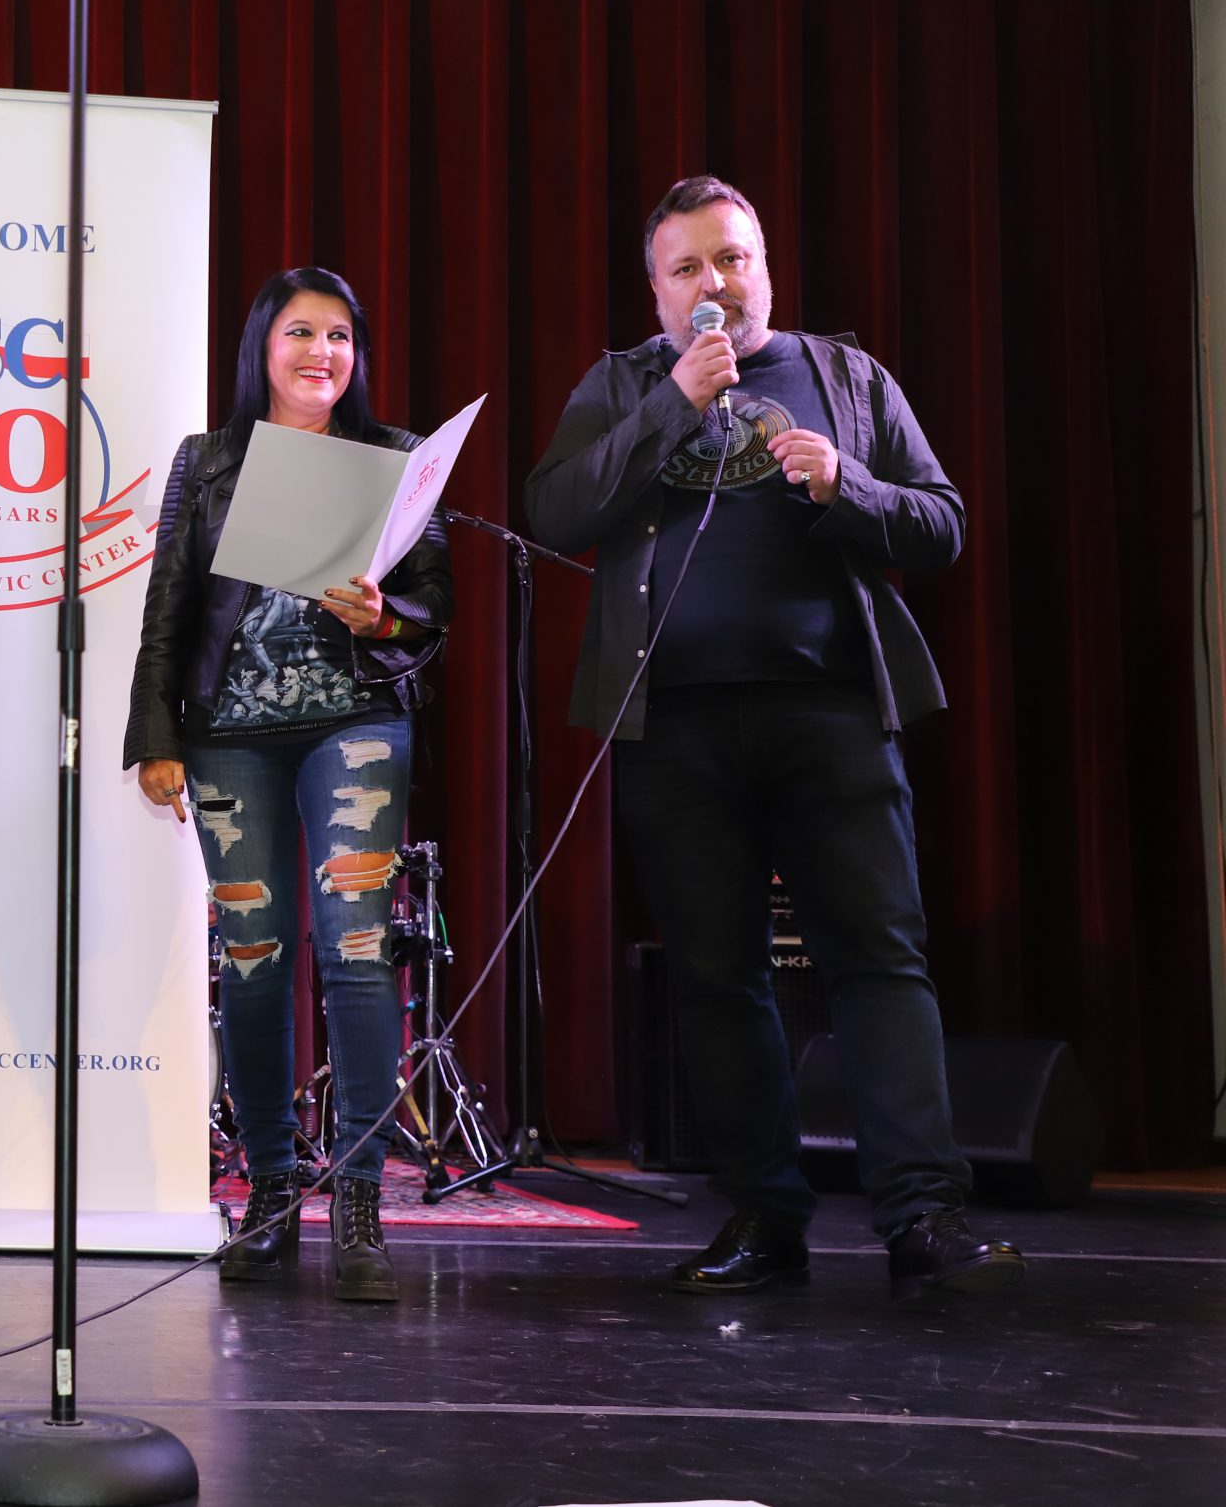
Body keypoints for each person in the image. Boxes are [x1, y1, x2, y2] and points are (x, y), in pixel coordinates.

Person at [524, 175, 1022, 1300]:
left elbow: (941, 522)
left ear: (764, 267)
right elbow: (555, 511)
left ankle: (922, 1219)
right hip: (672, 723)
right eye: (688, 268)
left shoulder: (846, 377)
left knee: (879, 961)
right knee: (716, 976)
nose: (715, 283)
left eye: (732, 259)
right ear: (658, 295)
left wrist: (848, 485)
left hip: (831, 710)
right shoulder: (622, 385)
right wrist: (672, 404)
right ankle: (764, 1218)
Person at [123, 267, 452, 1303]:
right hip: (229, 736)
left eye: (340, 335)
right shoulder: (209, 459)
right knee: (255, 960)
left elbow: (433, 604)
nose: (322, 352)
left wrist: (383, 615)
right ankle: (269, 1188)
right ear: (262, 347)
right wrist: (156, 734)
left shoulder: (396, 457)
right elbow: (169, 603)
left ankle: (358, 1198)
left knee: (356, 950)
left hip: (356, 723)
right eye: (301, 332)